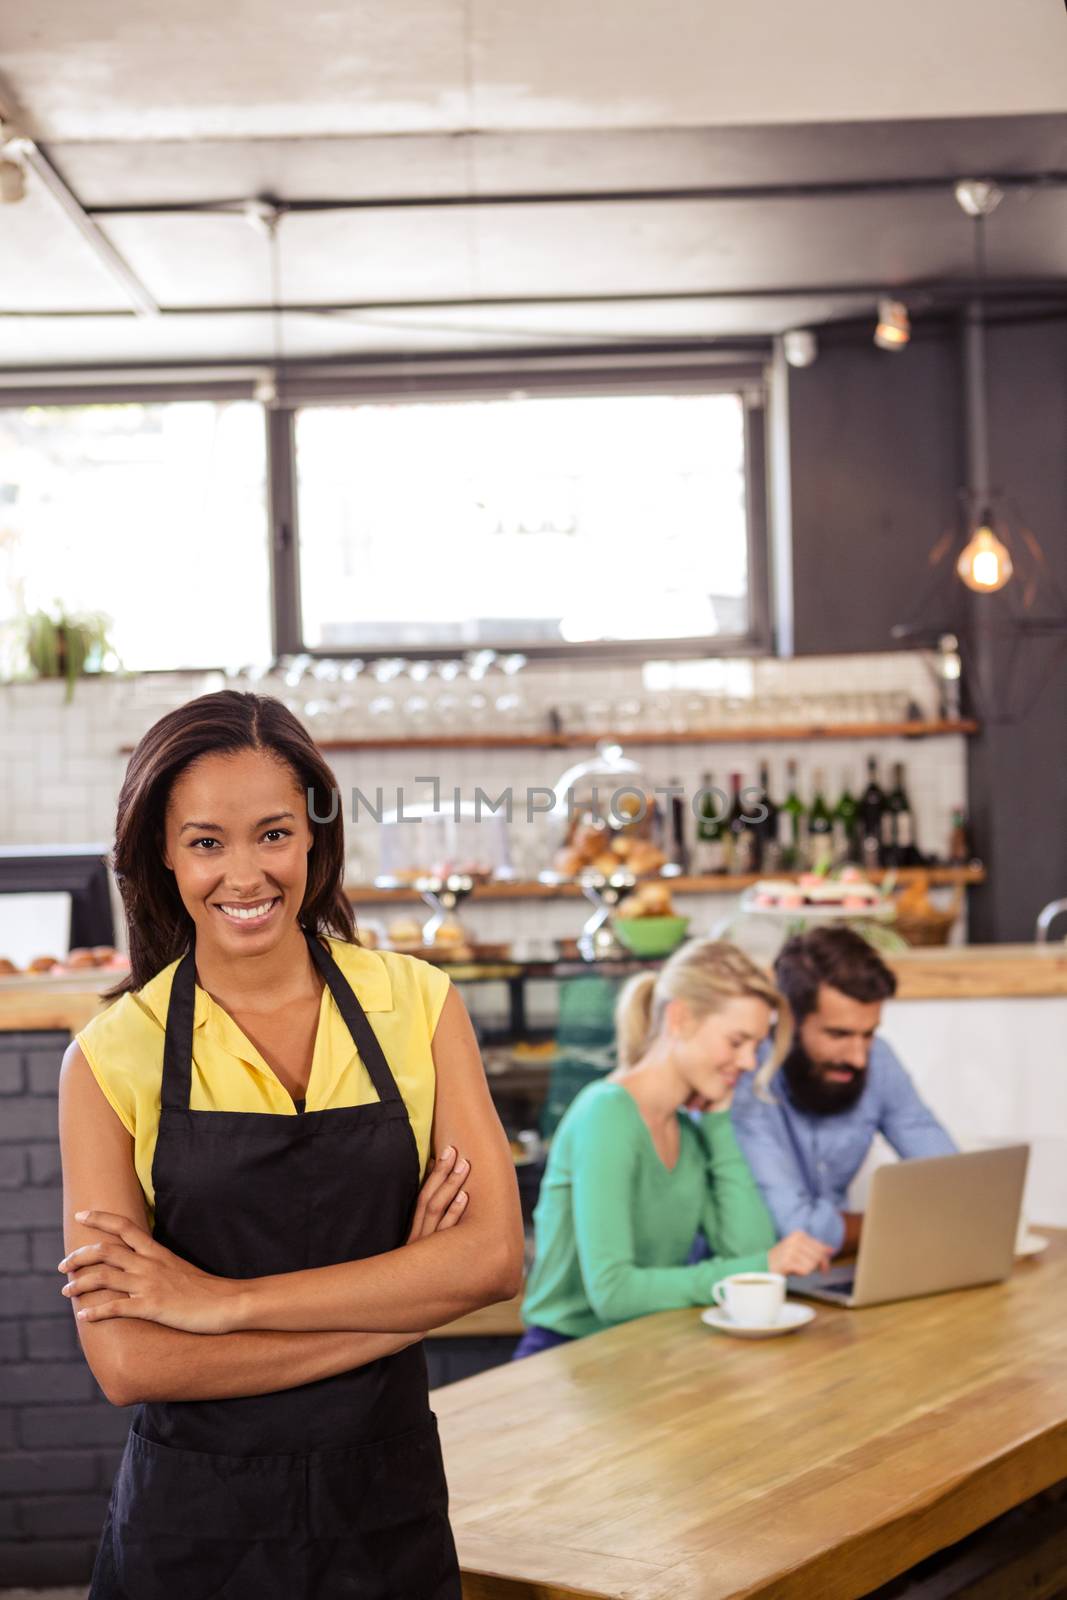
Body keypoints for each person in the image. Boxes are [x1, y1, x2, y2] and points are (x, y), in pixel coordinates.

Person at [56, 690, 525, 1600]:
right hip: (193, 1534)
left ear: (314, 836)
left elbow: (495, 1261)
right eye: (205, 842)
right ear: (161, 853)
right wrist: (409, 1299)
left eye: (273, 834)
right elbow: (130, 1362)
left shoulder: (417, 1005)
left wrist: (221, 1305)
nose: (245, 873)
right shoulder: (110, 1058)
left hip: (384, 1513)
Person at [514, 940, 831, 1358]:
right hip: (566, 1357)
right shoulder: (605, 1114)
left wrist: (718, 1124)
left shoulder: (690, 1131)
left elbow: (746, 1252)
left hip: (646, 1348)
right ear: (679, 1018)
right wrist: (758, 1266)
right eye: (737, 1041)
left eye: (755, 1047)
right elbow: (613, 1292)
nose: (751, 1062)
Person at [730, 925, 957, 1256]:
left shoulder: (879, 1059)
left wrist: (963, 1206)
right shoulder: (749, 1074)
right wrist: (907, 1222)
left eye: (868, 1034)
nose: (859, 1057)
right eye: (838, 1034)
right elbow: (795, 1228)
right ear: (789, 1017)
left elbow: (949, 1176)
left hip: (834, 1269)